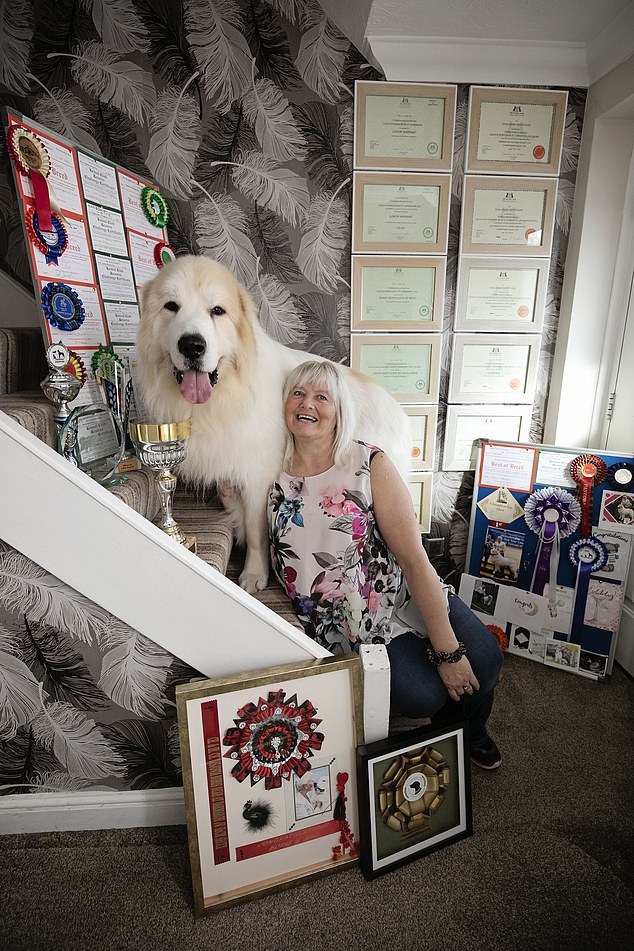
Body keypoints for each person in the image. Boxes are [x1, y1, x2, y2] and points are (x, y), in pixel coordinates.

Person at [267, 361, 504, 771]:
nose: (308, 404)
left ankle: (470, 733)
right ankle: (446, 727)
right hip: (346, 622)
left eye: (322, 397)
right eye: (298, 394)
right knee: (423, 694)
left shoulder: (369, 463)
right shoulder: (263, 468)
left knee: (485, 657)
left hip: (399, 593)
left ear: (340, 410)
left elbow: (413, 559)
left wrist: (447, 651)